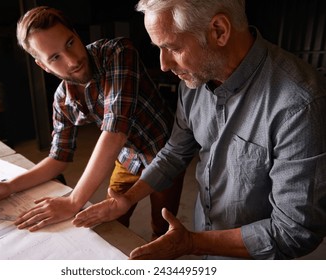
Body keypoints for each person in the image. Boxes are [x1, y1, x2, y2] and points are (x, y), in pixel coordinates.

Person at [73, 0, 326, 259]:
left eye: (172, 47)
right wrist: (129, 198)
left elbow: (294, 231)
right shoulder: (195, 77)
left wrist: (192, 243)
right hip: (204, 237)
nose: (163, 64)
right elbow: (174, 152)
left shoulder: (301, 103)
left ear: (219, 31)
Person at [0, 6, 185, 239]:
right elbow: (58, 158)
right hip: (127, 158)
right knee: (111, 219)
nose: (72, 61)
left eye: (70, 43)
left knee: (162, 224)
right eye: (55, 57)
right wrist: (9, 187)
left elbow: (115, 130)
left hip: (164, 152)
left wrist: (74, 201)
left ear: (76, 34)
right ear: (43, 66)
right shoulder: (63, 99)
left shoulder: (118, 52)